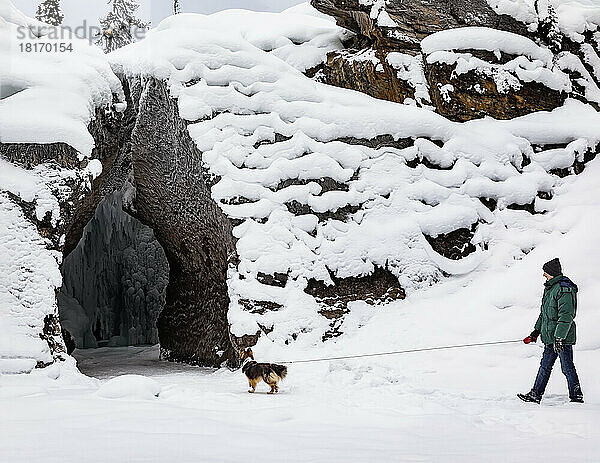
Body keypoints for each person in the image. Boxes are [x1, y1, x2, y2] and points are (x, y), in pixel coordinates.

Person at [518, 258, 584, 404]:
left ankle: (576, 396)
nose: (543, 274)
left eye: (545, 272)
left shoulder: (564, 289)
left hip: (562, 337)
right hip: (550, 338)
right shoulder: (550, 289)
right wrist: (536, 332)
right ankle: (535, 394)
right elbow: (545, 314)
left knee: (567, 367)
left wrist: (559, 337)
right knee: (545, 366)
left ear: (552, 273)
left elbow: (566, 316)